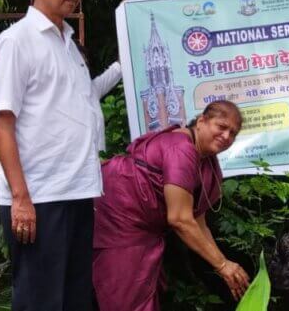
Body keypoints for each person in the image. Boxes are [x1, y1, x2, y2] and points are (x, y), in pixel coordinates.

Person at [0, 0, 101, 311]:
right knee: (41, 300)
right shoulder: (16, 41)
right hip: (39, 197)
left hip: (77, 189)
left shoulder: (69, 43)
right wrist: (21, 198)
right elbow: (3, 123)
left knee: (74, 298)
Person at [93, 100, 250, 311]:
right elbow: (179, 219)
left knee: (144, 295)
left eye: (233, 133)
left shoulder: (206, 161)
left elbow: (198, 223)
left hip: (145, 230)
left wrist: (223, 264)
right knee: (126, 298)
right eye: (221, 127)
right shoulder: (181, 149)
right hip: (119, 219)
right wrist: (222, 265)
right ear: (202, 121)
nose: (226, 137)